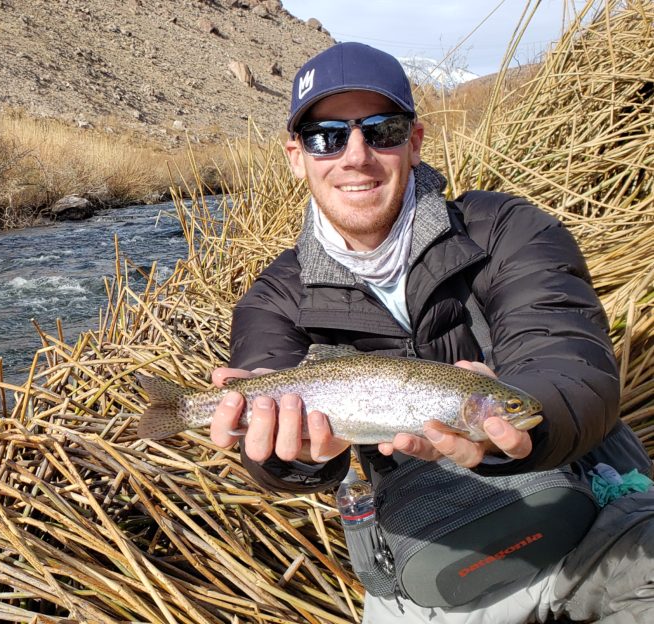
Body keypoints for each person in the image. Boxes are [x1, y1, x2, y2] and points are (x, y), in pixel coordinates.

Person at [209, 42, 653, 623]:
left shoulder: (507, 230)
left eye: (382, 130)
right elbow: (272, 442)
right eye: (327, 137)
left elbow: (569, 362)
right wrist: (289, 458)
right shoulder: (273, 299)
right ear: (297, 156)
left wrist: (519, 424)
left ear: (414, 142)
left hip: (592, 523)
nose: (356, 156)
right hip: (433, 566)